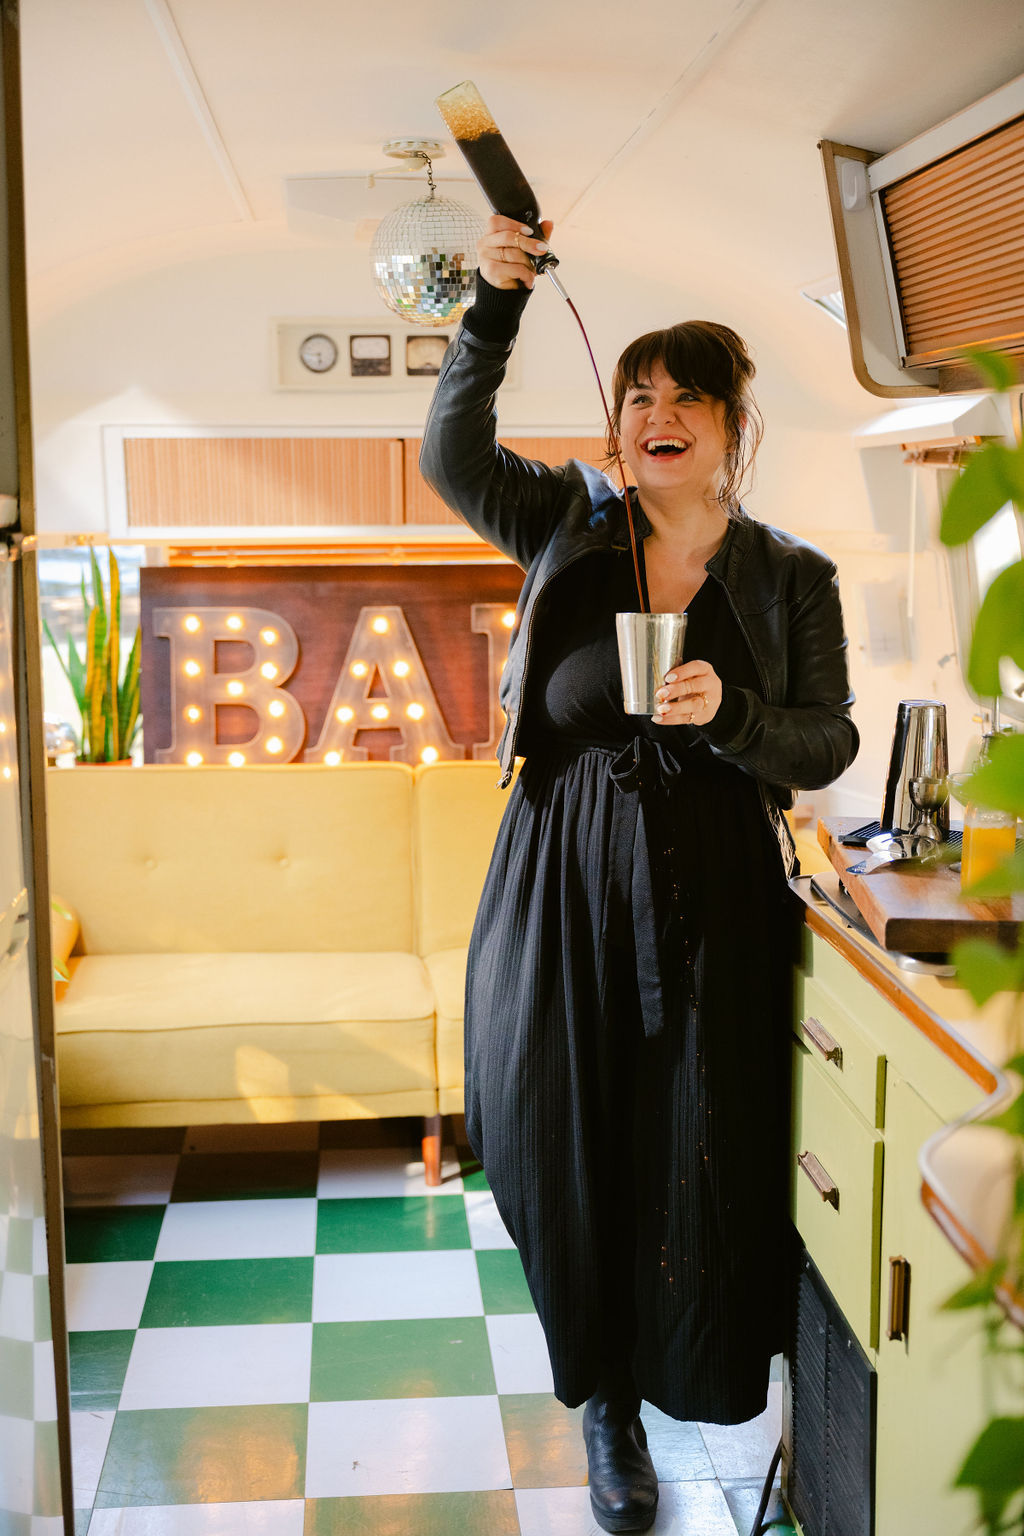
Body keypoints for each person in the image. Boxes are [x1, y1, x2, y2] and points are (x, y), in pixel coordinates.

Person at [420, 214, 859, 1534]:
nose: (656, 413)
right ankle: (604, 1404)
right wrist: (491, 307)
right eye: (637, 396)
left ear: (735, 426)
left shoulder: (790, 579)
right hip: (559, 879)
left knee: (695, 1145)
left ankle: (689, 1379)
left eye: (687, 398)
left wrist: (729, 711)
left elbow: (829, 736)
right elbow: (449, 454)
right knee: (562, 1136)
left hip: (716, 893)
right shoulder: (563, 517)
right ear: (615, 426)